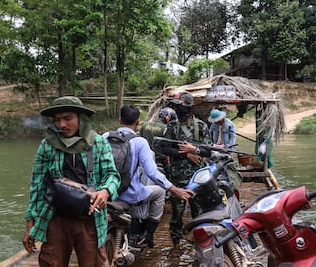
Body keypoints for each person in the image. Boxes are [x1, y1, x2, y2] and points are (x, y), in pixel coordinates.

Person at [22, 96, 121, 266]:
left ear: (80, 119)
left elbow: (112, 175)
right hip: (56, 219)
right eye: (57, 120)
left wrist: (105, 191)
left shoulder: (98, 143)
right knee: (51, 262)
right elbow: (37, 186)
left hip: (90, 218)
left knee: (94, 262)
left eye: (67, 119)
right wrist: (30, 222)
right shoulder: (47, 146)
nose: (62, 125)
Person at [103, 105, 193, 249]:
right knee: (160, 192)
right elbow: (152, 173)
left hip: (105, 193)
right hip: (130, 194)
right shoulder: (140, 142)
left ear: (119, 120)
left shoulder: (105, 137)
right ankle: (148, 235)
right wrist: (175, 189)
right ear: (138, 122)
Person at [157, 91, 211, 248]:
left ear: (188, 107)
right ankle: (176, 246)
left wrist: (194, 149)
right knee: (177, 215)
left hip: (197, 178)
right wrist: (185, 155)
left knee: (199, 213)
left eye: (180, 106)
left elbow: (208, 151)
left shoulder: (201, 126)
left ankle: (200, 244)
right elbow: (164, 148)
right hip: (178, 178)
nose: (177, 109)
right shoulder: (172, 126)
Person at [140, 107, 177, 174]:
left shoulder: (145, 125)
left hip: (143, 159)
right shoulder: (166, 128)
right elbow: (167, 147)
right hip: (159, 161)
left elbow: (140, 140)